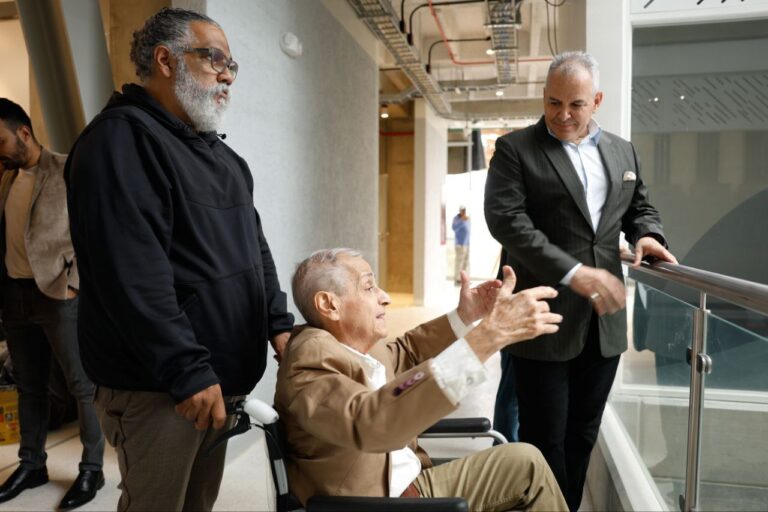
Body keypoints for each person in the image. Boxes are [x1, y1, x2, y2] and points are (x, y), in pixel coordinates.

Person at [65, 7, 294, 511]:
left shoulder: (223, 158)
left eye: (232, 64)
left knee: (197, 504)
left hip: (215, 381)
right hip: (160, 387)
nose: (228, 75)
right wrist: (187, 370)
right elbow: (131, 276)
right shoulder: (120, 142)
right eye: (214, 59)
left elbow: (254, 248)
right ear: (165, 61)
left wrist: (279, 322)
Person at [484, 51, 678, 511]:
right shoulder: (516, 149)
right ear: (544, 96)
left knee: (583, 435)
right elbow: (508, 222)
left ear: (597, 101)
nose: (563, 115)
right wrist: (575, 273)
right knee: (543, 441)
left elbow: (639, 207)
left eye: (576, 104)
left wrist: (647, 235)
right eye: (553, 102)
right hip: (543, 317)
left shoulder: (622, 151)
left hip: (602, 322)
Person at [276, 248, 568, 511]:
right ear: (329, 305)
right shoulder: (309, 362)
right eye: (368, 286)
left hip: (410, 482)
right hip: (380, 502)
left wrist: (466, 315)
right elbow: (369, 421)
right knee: (528, 465)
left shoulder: (355, 344)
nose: (385, 297)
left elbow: (408, 352)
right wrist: (488, 337)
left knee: (525, 461)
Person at [0, 98, 105, 509]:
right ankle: (32, 464)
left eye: (1, 141)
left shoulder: (66, 169)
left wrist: (74, 284)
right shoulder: (5, 178)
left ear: (24, 133)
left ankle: (92, 468)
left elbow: (92, 229)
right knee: (29, 385)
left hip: (58, 295)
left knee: (82, 385)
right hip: (14, 295)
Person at [451, 206, 470, 285]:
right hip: (459, 244)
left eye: (464, 210)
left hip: (467, 244)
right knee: (459, 262)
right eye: (462, 210)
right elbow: (454, 228)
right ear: (460, 211)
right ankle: (457, 280)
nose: (463, 212)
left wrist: (465, 219)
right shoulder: (456, 219)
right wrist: (462, 220)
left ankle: (465, 280)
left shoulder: (467, 218)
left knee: (466, 262)